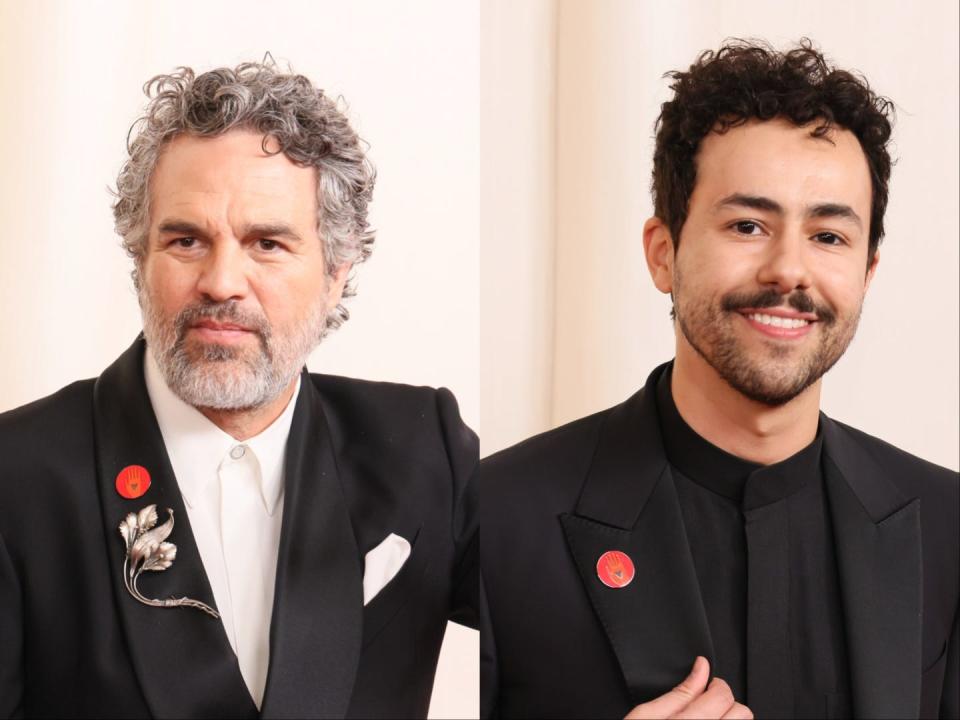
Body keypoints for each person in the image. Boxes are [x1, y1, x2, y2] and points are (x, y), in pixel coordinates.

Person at [481, 39, 958, 720]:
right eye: (747, 224)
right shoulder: (499, 518)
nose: (789, 270)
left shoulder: (947, 526)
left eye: (829, 237)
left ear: (866, 273)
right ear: (663, 254)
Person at [0, 61, 477, 718]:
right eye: (187, 239)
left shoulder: (423, 445)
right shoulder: (15, 474)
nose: (222, 281)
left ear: (336, 271)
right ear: (140, 259)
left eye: (267, 243)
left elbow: (562, 621)